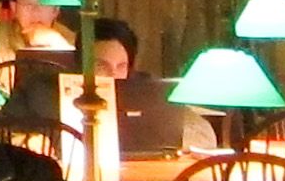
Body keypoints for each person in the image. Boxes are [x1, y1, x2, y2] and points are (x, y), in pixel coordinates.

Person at [86, 16, 213, 155]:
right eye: (101, 66)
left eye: (121, 66)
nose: (113, 74)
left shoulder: (147, 91)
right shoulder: (66, 94)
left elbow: (205, 135)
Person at [0, 0, 79, 136]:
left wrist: (58, 45)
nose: (35, 11)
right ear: (14, 7)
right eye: (28, 4)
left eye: (43, 4)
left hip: (59, 127)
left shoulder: (72, 42)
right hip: (8, 127)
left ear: (55, 10)